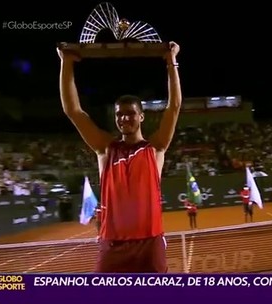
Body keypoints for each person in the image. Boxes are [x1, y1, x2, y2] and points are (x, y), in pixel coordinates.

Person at [57, 42, 182, 273]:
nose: (124, 118)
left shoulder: (155, 149)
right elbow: (73, 111)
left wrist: (171, 61)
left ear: (141, 117)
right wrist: (66, 63)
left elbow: (173, 107)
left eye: (130, 114)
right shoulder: (106, 149)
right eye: (119, 115)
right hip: (112, 245)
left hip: (149, 243)